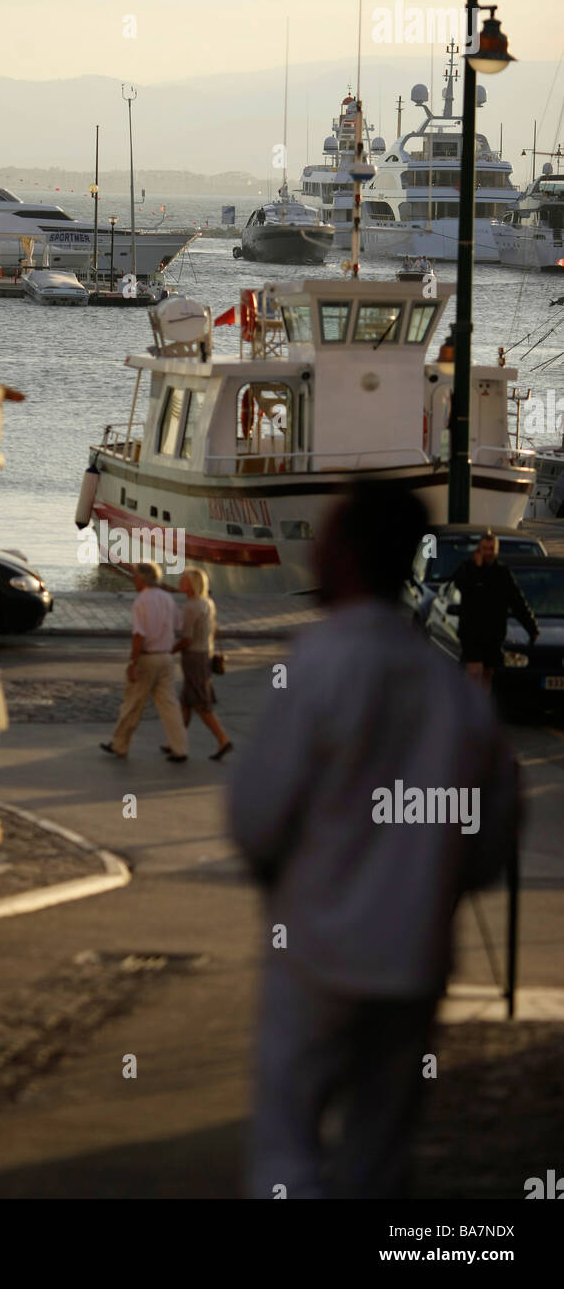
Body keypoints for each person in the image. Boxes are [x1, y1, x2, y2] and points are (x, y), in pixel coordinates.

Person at [228, 481, 520, 1199]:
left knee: (289, 1138)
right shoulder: (452, 692)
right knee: (380, 1151)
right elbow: (491, 841)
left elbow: (256, 817)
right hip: (415, 955)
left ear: (348, 555)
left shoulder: (318, 668)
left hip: (318, 951)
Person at [100, 562, 187, 762]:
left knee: (133, 703)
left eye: (136, 577)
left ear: (143, 579)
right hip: (166, 656)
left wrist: (133, 663)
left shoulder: (141, 601)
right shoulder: (167, 598)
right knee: (169, 705)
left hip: (147, 658)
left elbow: (139, 635)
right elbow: (178, 624)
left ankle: (119, 744)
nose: (134, 580)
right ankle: (180, 748)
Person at [452, 531, 539, 690]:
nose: (488, 552)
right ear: (479, 549)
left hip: (493, 634)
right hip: (472, 633)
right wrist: (477, 568)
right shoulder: (467, 568)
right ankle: (469, 706)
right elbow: (461, 585)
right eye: (485, 548)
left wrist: (531, 627)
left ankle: (481, 708)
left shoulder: (502, 573)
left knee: (487, 675)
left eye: (491, 549)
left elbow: (517, 601)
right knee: (474, 672)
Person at [170, 567, 232, 761]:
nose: (180, 581)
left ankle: (223, 740)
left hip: (193, 657)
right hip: (205, 655)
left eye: (184, 580)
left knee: (200, 704)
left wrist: (169, 650)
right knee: (186, 702)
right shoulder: (208, 602)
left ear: (193, 584)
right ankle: (175, 744)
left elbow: (187, 639)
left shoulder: (191, 607)